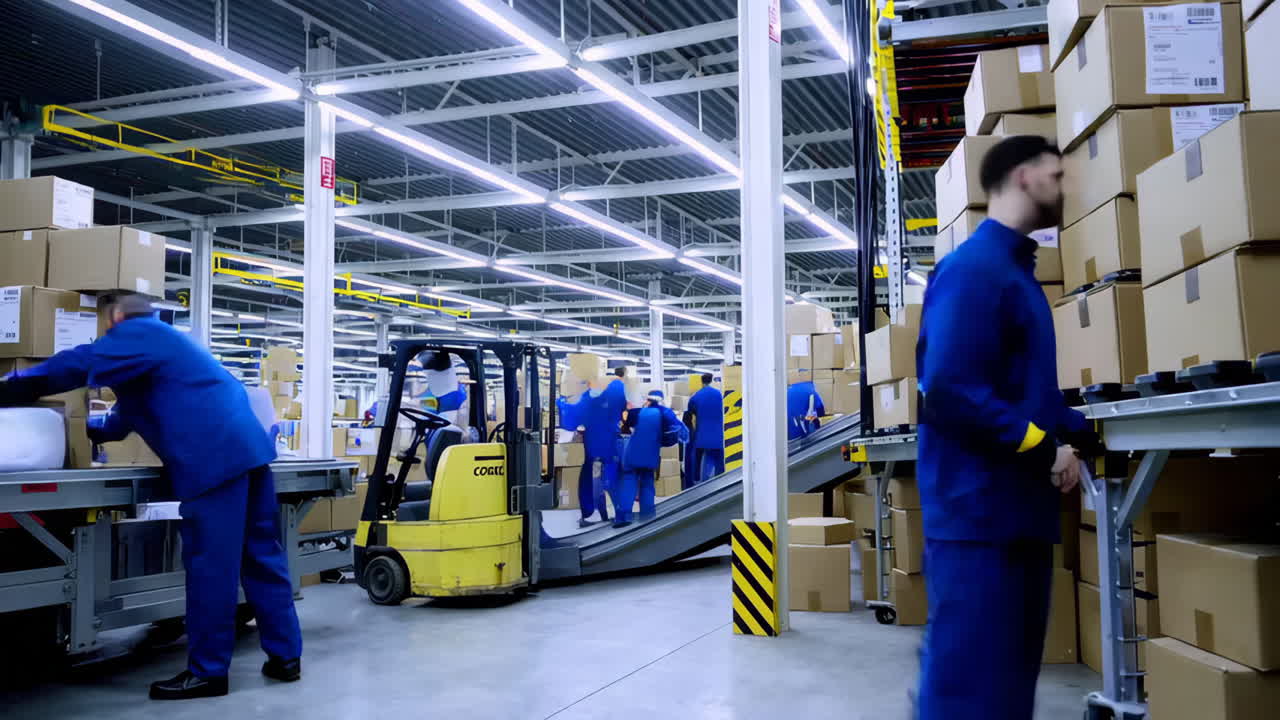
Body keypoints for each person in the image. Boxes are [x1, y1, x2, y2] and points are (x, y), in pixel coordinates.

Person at [0, 294, 302, 700]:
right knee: (261, 556)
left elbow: (78, 364)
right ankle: (286, 656)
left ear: (117, 316)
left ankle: (208, 673)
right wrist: (85, 430)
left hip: (213, 461)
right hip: (249, 452)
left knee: (212, 567)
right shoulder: (168, 345)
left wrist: (11, 387)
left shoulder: (137, 332)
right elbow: (124, 418)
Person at [913, 135, 1100, 719]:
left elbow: (1024, 393)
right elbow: (948, 387)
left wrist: (1080, 426)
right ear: (1023, 177)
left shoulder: (1015, 274)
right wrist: (1045, 447)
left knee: (1008, 690)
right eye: (1056, 176)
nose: (1063, 188)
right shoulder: (974, 271)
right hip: (978, 521)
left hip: (1015, 517)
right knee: (970, 692)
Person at [616, 390, 688, 527]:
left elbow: (626, 425)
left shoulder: (636, 412)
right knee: (647, 484)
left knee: (629, 484)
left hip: (632, 454)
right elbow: (678, 433)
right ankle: (647, 517)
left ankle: (624, 517)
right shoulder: (665, 414)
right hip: (650, 455)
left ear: (648, 400)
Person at [577, 367, 629, 527]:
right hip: (607, 447)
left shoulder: (590, 399)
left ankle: (599, 515)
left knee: (598, 480)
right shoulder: (610, 396)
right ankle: (615, 514)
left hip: (597, 449)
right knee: (609, 481)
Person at [684, 373, 725, 485]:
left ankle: (705, 485)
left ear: (701, 382)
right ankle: (722, 484)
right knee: (720, 460)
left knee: (708, 458)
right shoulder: (719, 394)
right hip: (720, 434)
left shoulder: (696, 396)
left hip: (703, 434)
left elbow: (689, 413)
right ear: (712, 381)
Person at [786, 373, 825, 440]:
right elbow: (820, 410)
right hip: (804, 426)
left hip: (789, 426)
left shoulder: (788, 390)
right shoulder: (811, 390)